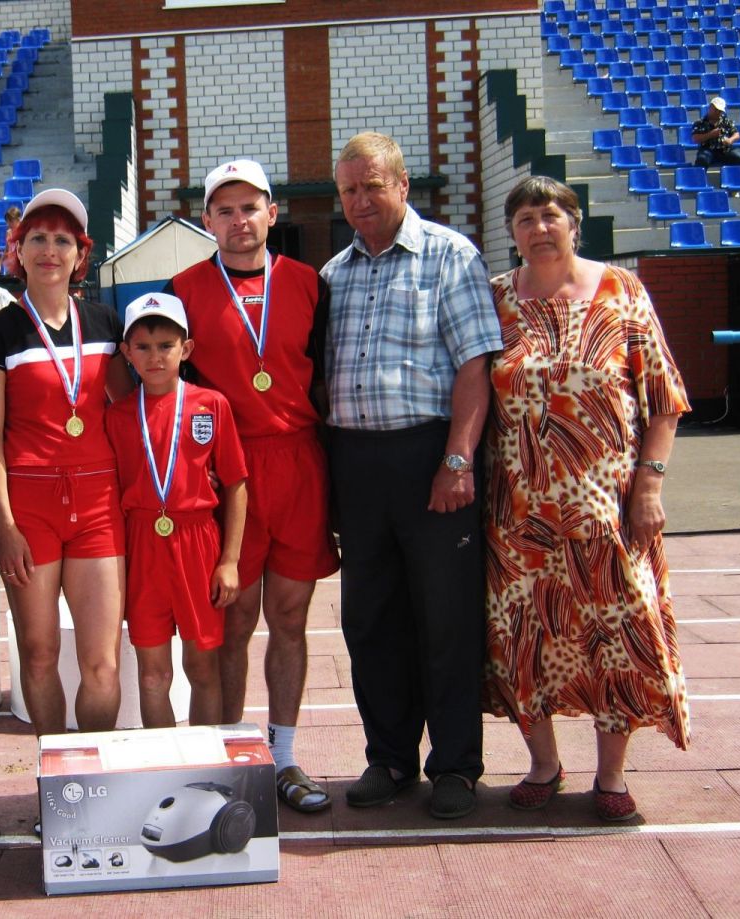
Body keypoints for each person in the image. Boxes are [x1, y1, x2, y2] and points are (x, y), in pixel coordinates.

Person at [485, 176, 691, 821]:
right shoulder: (495, 298)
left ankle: (611, 774)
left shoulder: (621, 291)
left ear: (575, 224)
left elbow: (663, 398)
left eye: (550, 215)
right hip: (518, 510)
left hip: (607, 506)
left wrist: (650, 485)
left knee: (617, 634)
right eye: (525, 219)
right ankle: (544, 764)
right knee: (524, 634)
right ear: (511, 232)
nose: (539, 228)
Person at [320, 131, 502, 820]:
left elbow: (475, 365)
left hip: (431, 459)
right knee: (370, 620)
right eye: (348, 190)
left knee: (446, 619)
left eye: (372, 185)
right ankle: (390, 757)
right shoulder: (333, 274)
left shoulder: (451, 255)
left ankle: (454, 765)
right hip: (356, 463)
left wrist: (457, 459)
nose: (360, 200)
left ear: (402, 184)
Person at [166, 159, 339, 814]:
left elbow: (325, 378)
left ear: (272, 212)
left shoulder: (309, 283)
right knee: (234, 620)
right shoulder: (183, 290)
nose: (239, 221)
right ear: (207, 220)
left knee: (289, 618)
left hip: (298, 462)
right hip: (229, 473)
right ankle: (233, 759)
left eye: (250, 207)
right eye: (225, 210)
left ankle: (285, 756)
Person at [0, 189, 133, 742]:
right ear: (17, 250)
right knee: (38, 654)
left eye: (63, 240)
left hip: (98, 504)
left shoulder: (105, 323)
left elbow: (129, 415)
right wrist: (5, 525)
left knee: (102, 660)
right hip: (30, 508)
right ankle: (57, 777)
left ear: (80, 254)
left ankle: (95, 776)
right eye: (37, 238)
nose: (49, 251)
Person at [106, 293, 248, 728]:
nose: (155, 357)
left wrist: (230, 560)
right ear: (127, 353)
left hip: (198, 542)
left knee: (202, 669)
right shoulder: (117, 415)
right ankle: (164, 763)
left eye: (166, 346)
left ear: (186, 349)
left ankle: (205, 760)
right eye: (143, 347)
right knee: (153, 676)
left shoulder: (211, 405)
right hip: (142, 545)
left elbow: (236, 483)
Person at [692, 96, 740, 168]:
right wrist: (711, 134)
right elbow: (695, 139)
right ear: (710, 107)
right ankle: (699, 175)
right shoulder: (700, 123)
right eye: (716, 110)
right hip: (707, 149)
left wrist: (730, 140)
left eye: (720, 111)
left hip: (725, 150)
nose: (718, 112)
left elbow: (736, 134)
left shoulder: (726, 121)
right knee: (702, 160)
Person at [2, 205, 21, 273]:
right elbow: (7, 249)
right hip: (11, 264)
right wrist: (2, 260)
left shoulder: (24, 232)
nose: (8, 224)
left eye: (11, 221)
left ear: (18, 219)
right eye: (7, 221)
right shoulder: (8, 232)